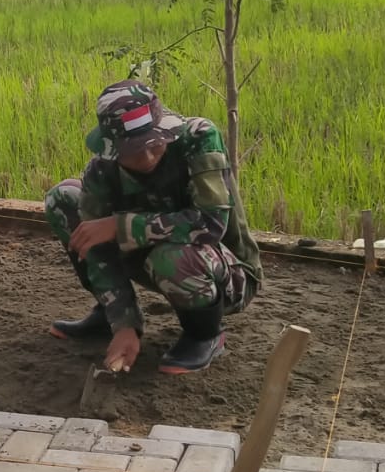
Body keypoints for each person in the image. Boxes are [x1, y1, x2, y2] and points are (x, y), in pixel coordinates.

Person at [44, 81, 262, 374]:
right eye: (132, 150)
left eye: (154, 143)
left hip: (224, 272)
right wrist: (124, 323)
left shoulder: (198, 138)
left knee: (170, 256)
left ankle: (204, 334)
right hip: (147, 256)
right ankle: (110, 315)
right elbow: (97, 252)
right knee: (64, 200)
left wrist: (120, 227)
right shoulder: (102, 171)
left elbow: (211, 223)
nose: (146, 157)